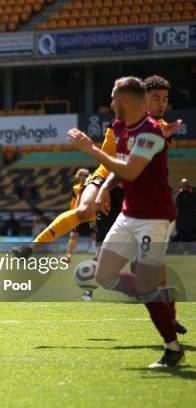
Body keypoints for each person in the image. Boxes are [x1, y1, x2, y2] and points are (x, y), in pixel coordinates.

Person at [68, 76, 183, 368]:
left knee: (145, 285)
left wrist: (91, 150)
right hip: (129, 214)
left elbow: (131, 170)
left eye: (113, 97)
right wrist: (105, 187)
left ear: (127, 100)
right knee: (104, 276)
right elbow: (120, 168)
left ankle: (172, 348)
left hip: (155, 217)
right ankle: (160, 296)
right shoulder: (120, 127)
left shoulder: (151, 132)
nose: (110, 103)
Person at [12, 75, 182, 260]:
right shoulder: (120, 122)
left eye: (165, 99)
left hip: (132, 190)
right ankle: (31, 247)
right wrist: (105, 187)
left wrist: (162, 137)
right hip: (106, 175)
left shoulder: (164, 129)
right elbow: (109, 158)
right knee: (84, 210)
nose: (162, 104)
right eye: (156, 98)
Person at [174, 178, 196, 242]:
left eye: (186, 185)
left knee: (190, 235)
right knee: (181, 235)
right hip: (181, 219)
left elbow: (193, 203)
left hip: (191, 218)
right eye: (183, 185)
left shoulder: (193, 193)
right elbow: (179, 205)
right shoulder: (179, 194)